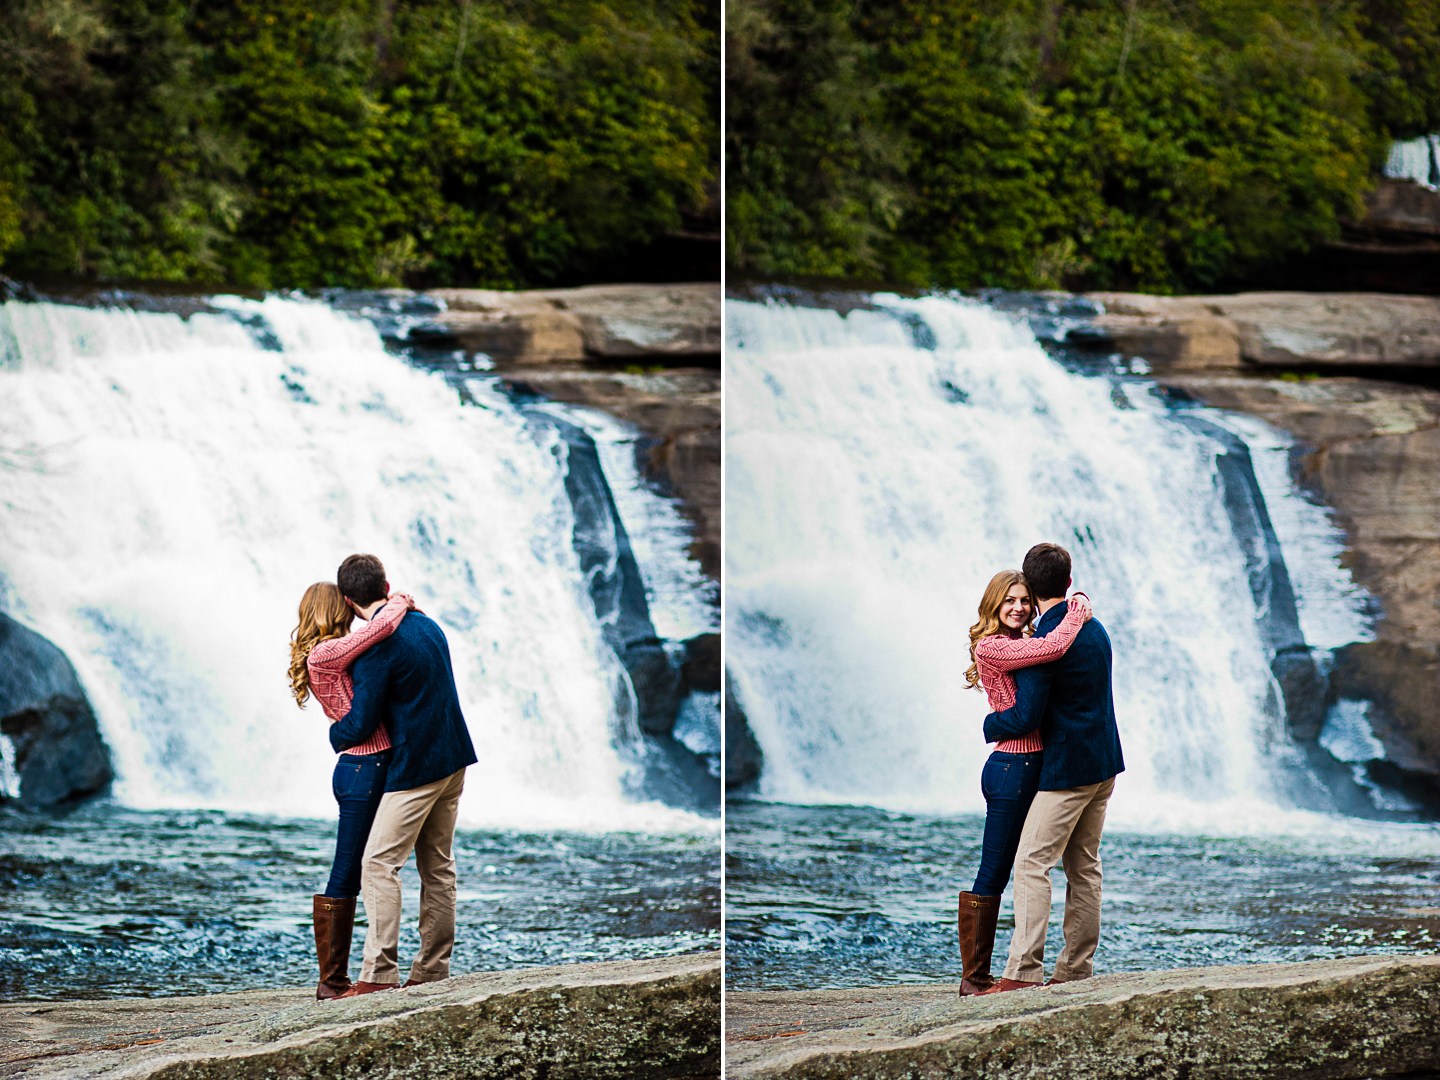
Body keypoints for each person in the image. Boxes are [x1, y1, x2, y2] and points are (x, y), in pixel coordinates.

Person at [327, 553, 478, 997]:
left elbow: (360, 722)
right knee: (438, 868)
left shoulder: (375, 650)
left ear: (349, 601)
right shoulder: (427, 624)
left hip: (416, 768)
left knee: (377, 864)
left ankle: (378, 974)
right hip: (454, 758)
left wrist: (335, 732)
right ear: (386, 584)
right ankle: (432, 970)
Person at [981, 543, 1125, 992]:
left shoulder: (1043, 646)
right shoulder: (1094, 626)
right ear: (1067, 580)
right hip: (1104, 763)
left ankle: (1023, 974)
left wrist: (991, 723)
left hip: (1067, 770)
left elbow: (1027, 716)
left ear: (1031, 585)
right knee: (1084, 866)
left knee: (1030, 864)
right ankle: (1076, 971)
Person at [958, 571, 1090, 995]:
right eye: (1008, 601)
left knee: (1026, 865)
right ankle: (974, 979)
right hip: (1011, 770)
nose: (1017, 608)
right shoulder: (993, 646)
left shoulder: (1020, 644)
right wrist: (1078, 608)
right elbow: (1053, 646)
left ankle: (997, 972)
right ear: (993, 605)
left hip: (1033, 767)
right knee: (994, 871)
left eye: (1024, 600)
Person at [288, 582, 414, 999]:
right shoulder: (326, 652)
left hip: (361, 767)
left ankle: (336, 978)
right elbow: (376, 631)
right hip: (363, 768)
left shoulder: (332, 651)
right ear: (335, 608)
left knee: (356, 868)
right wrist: (399, 602)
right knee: (348, 872)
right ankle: (332, 981)